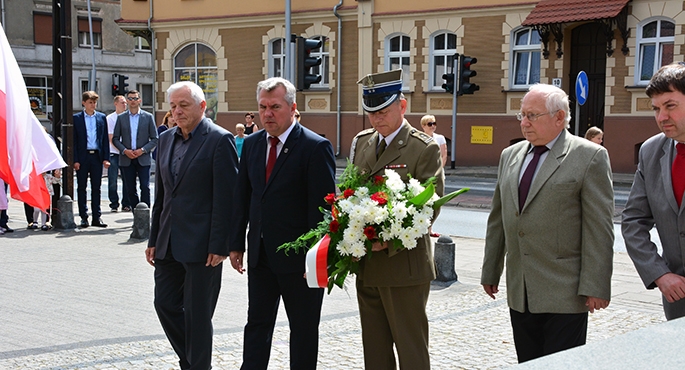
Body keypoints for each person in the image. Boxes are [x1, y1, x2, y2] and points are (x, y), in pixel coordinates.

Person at [480, 83, 614, 363]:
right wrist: (490, 270)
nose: (524, 123)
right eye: (522, 116)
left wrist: (596, 285)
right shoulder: (511, 155)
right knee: (528, 362)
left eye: (532, 116)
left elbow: (598, 227)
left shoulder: (588, 156)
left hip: (565, 291)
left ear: (559, 117)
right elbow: (498, 218)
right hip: (521, 290)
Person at [229, 77, 336, 370]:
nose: (267, 114)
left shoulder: (315, 147)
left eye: (275, 107)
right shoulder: (251, 145)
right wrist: (236, 243)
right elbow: (242, 198)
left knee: (302, 331)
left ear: (292, 108)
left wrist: (317, 259)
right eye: (262, 107)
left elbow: (324, 211)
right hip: (261, 257)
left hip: (300, 264)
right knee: (257, 326)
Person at [349, 69, 444, 370]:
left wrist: (385, 240)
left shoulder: (422, 147)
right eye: (371, 112)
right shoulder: (363, 142)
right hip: (368, 265)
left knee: (411, 349)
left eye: (384, 111)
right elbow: (350, 194)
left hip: (404, 266)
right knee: (374, 352)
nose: (377, 119)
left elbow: (429, 206)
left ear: (402, 106)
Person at [147, 81, 239, 369]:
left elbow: (227, 198)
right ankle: (191, 361)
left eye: (183, 105)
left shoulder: (219, 140)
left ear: (202, 107)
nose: (176, 111)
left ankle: (198, 366)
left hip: (203, 246)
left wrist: (221, 244)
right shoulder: (165, 139)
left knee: (198, 316)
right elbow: (161, 195)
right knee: (164, 305)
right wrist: (153, 238)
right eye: (173, 106)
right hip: (167, 242)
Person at [622, 62, 685, 321]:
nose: (662, 117)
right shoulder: (651, 151)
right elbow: (633, 221)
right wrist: (659, 274)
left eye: (670, 106)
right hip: (677, 300)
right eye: (656, 109)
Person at [113, 90, 158, 210]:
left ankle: (145, 214)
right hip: (126, 158)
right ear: (127, 101)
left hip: (142, 157)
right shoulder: (121, 118)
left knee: (145, 187)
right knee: (130, 189)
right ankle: (136, 215)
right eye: (130, 99)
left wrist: (143, 150)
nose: (133, 101)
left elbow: (155, 139)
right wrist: (124, 150)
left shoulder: (148, 117)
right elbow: (115, 139)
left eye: (135, 98)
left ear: (140, 100)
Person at [73, 91, 110, 228]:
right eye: (90, 102)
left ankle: (97, 217)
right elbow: (74, 141)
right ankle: (84, 217)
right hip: (83, 157)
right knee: (82, 187)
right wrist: (75, 160)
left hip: (96, 157)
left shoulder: (101, 118)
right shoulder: (76, 118)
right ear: (84, 103)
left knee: (97, 188)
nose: (93, 105)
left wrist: (106, 158)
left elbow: (104, 139)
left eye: (94, 102)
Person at [420, 114, 447, 238]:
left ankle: (430, 228)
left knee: (436, 200)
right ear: (423, 126)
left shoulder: (440, 138)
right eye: (430, 124)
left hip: (437, 173)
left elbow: (444, 155)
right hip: (424, 173)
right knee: (425, 201)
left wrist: (439, 171)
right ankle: (423, 226)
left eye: (434, 123)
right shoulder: (419, 138)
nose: (433, 126)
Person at [106, 95, 129, 212]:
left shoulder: (128, 117)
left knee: (127, 179)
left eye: (125, 103)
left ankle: (126, 203)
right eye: (122, 103)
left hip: (126, 153)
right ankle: (114, 203)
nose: (124, 105)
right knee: (112, 179)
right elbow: (111, 137)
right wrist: (122, 149)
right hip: (114, 152)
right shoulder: (110, 118)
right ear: (115, 104)